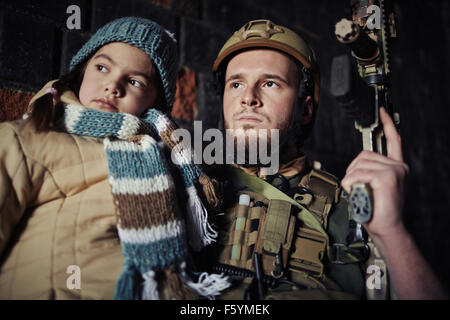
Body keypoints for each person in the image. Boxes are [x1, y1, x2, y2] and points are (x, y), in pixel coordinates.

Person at [204, 19, 449, 300]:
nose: (248, 98)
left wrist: (391, 232)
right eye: (235, 84)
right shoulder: (190, 190)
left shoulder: (351, 207)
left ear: (305, 110)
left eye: (270, 83)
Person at [0, 17, 229, 300]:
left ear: (154, 102)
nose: (112, 86)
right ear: (82, 71)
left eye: (134, 81)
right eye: (102, 67)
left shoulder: (167, 159)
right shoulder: (30, 138)